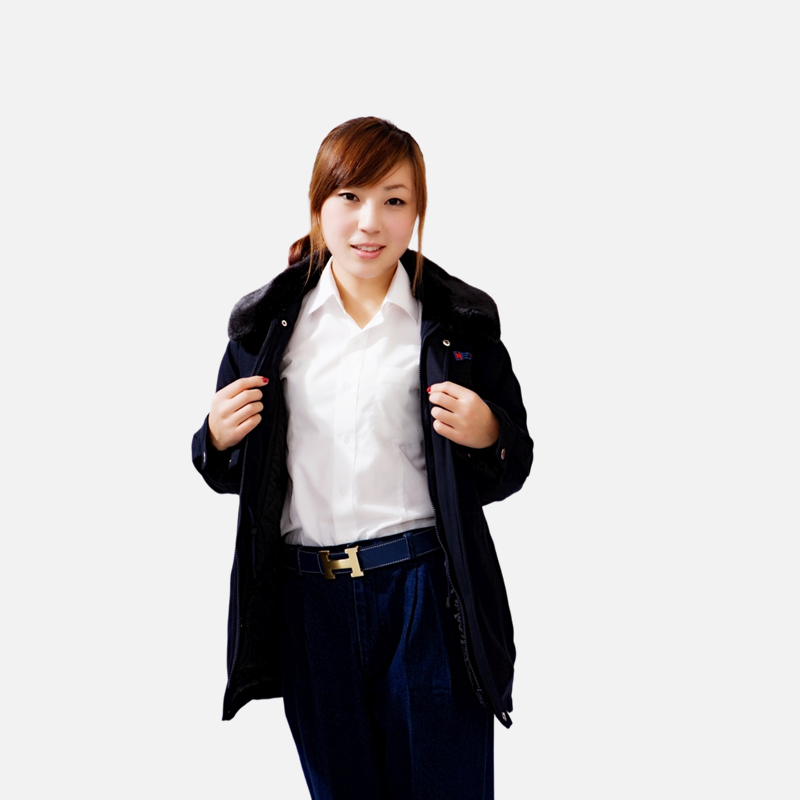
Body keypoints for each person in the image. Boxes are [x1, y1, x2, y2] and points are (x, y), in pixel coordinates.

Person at [191, 116, 533, 800]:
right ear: (319, 205)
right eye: (349, 197)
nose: (369, 221)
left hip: (425, 594)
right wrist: (215, 438)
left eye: (394, 200)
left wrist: (488, 429)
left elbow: (513, 460)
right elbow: (229, 471)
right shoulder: (267, 327)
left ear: (417, 212)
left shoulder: (458, 325)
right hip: (308, 601)